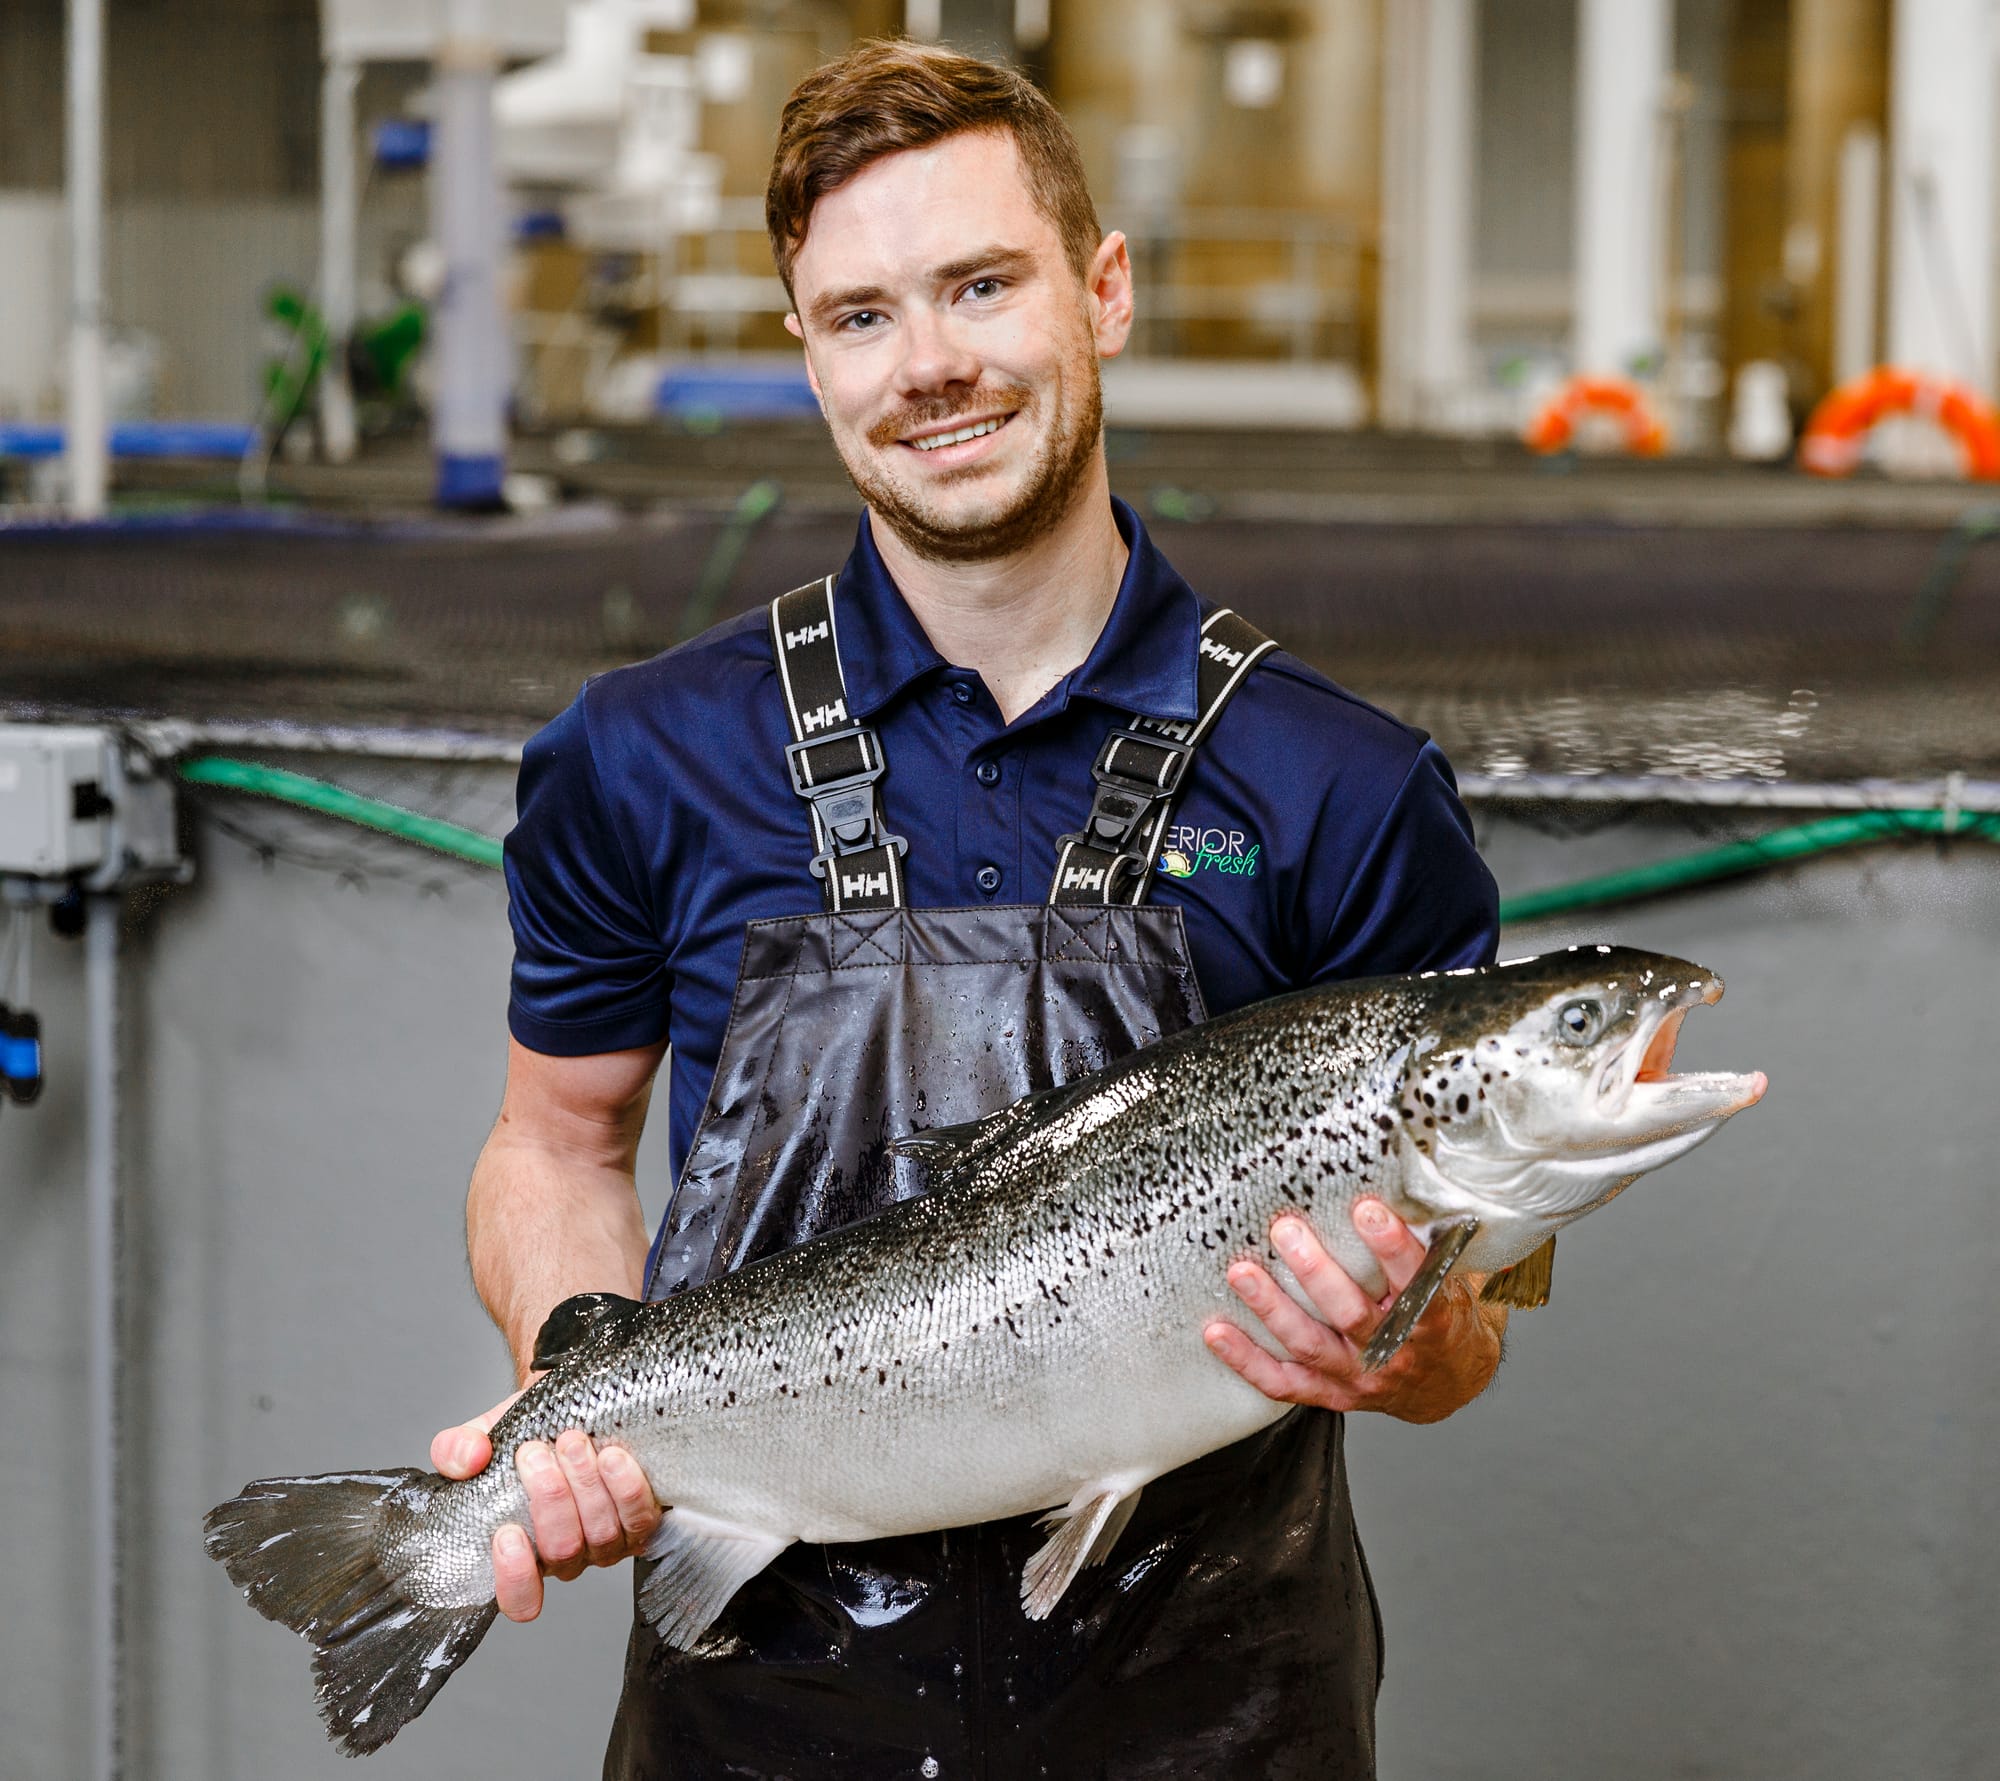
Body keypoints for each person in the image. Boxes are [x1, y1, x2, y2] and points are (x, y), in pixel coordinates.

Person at [432, 38, 1505, 1779]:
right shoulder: (643, 754)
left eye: (981, 286)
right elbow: (551, 1146)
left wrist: (1415, 1348)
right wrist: (582, 1380)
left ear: (1105, 291)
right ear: (804, 351)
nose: (929, 365)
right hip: (755, 1720)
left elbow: (1468, 1338)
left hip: (1221, 1725)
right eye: (859, 315)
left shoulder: (1345, 789)